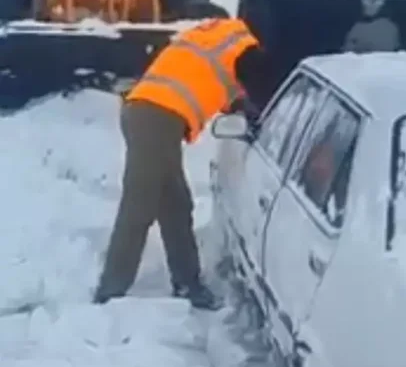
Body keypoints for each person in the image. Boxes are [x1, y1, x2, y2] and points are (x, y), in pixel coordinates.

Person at [93, 17, 274, 309]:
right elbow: (256, 85)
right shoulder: (245, 48)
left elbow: (218, 83)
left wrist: (242, 106)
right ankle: (110, 291)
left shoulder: (221, 34)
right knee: (139, 205)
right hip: (158, 117)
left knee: (176, 205)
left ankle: (188, 284)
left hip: (146, 110)